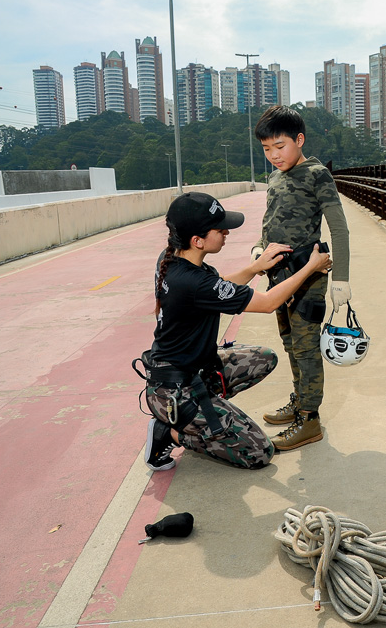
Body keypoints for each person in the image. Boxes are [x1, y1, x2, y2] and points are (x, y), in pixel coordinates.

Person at [141, 191, 331, 471]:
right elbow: (267, 304)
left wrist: (255, 268)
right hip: (174, 390)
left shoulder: (173, 258)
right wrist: (311, 267)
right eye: (220, 229)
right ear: (198, 240)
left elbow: (216, 287)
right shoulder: (191, 282)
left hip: (190, 369)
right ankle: (171, 431)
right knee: (260, 453)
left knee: (263, 358)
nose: (227, 231)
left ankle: (207, 411)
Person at [251, 105, 351, 451]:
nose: (274, 156)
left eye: (280, 147)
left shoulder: (316, 173)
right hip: (278, 273)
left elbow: (339, 229)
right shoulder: (275, 177)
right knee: (290, 342)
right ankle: (299, 400)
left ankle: (310, 419)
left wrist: (342, 278)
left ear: (299, 140)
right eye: (266, 150)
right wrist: (258, 250)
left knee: (307, 347)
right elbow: (271, 219)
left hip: (307, 274)